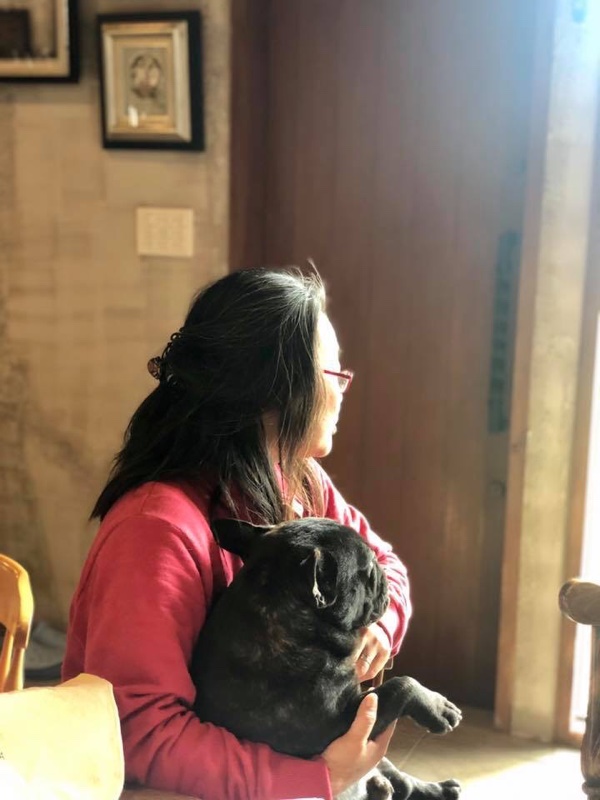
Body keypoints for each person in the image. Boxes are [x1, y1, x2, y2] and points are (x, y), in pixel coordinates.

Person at [62, 267, 412, 800]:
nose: (344, 391)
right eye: (335, 374)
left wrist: (380, 626)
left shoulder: (298, 479)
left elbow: (383, 563)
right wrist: (315, 779)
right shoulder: (155, 530)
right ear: (280, 389)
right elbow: (141, 735)